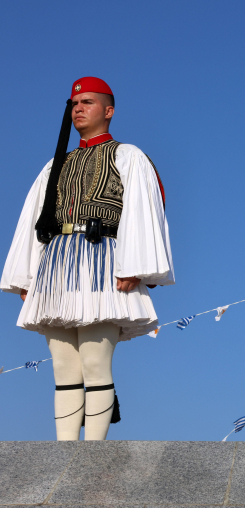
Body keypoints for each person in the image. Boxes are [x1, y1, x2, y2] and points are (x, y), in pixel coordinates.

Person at [1, 77, 174, 441]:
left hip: (102, 262)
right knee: (63, 367)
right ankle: (65, 453)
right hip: (57, 265)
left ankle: (92, 455)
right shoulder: (55, 164)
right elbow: (36, 217)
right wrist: (26, 278)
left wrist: (136, 266)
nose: (78, 108)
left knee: (95, 362)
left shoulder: (128, 155)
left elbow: (145, 209)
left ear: (108, 111)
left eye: (88, 102)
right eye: (74, 103)